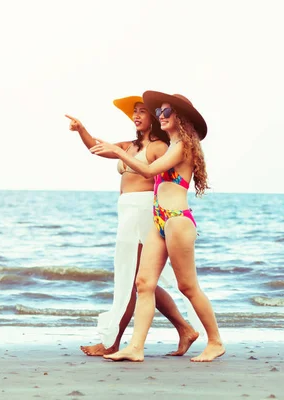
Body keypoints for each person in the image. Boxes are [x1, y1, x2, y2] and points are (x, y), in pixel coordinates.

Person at [91, 91, 225, 362]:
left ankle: (215, 341)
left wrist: (118, 151)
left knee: (188, 286)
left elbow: (150, 171)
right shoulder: (171, 143)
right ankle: (135, 348)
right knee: (143, 282)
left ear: (180, 117)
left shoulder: (182, 146)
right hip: (160, 219)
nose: (160, 116)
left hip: (177, 219)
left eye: (165, 112)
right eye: (159, 112)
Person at [66, 96, 201, 357]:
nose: (136, 116)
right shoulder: (129, 145)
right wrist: (82, 130)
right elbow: (96, 146)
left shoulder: (159, 147)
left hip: (143, 212)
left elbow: (159, 175)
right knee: (141, 280)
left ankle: (113, 343)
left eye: (142, 112)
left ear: (154, 117)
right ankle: (184, 329)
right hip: (127, 212)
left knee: (133, 280)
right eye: (134, 113)